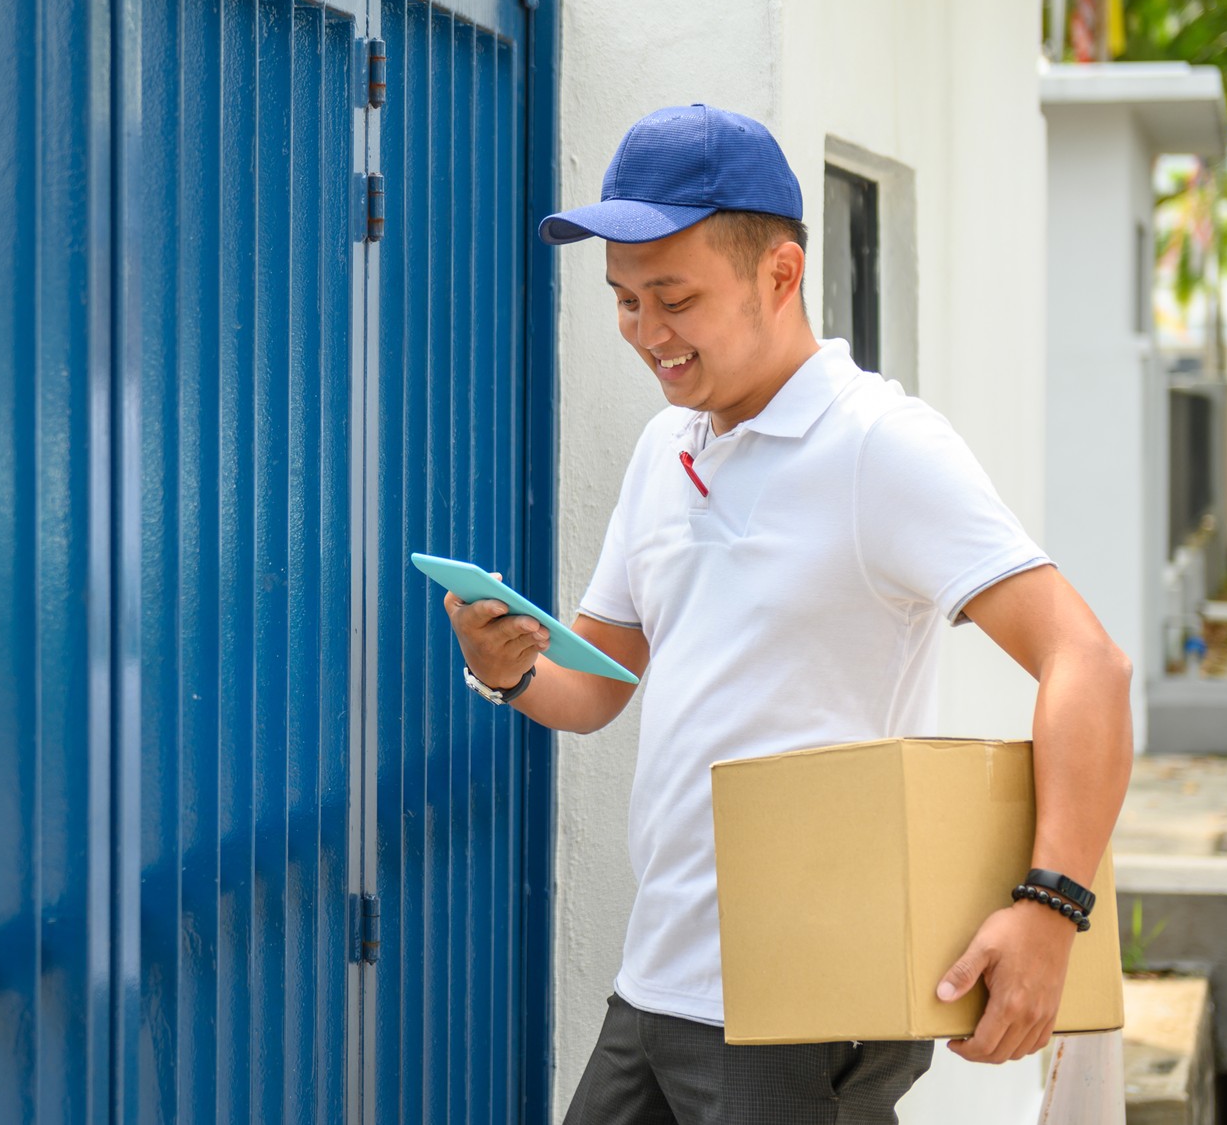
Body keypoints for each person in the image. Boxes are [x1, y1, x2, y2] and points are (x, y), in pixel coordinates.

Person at [442, 104, 1133, 1124]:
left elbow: (1089, 661)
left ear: (780, 273)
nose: (647, 334)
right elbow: (600, 686)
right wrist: (506, 668)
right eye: (625, 301)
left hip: (803, 1002)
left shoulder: (879, 447)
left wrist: (1051, 906)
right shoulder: (664, 450)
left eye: (674, 298)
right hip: (658, 982)